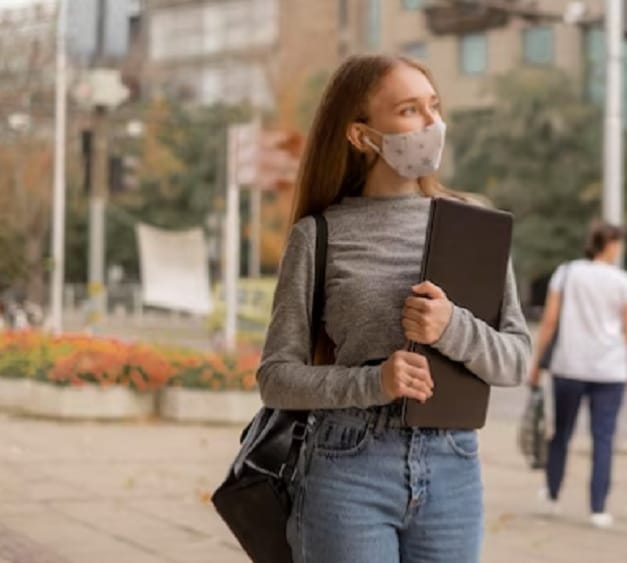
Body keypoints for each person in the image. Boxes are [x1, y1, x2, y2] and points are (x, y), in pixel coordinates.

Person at [256, 54, 531, 563]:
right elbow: (275, 377)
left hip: (454, 468)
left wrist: (453, 328)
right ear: (362, 136)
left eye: (434, 107)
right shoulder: (319, 235)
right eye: (409, 110)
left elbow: (516, 360)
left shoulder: (475, 223)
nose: (433, 124)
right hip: (347, 467)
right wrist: (375, 381)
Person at [527, 222, 627, 529]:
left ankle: (552, 495)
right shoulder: (623, 281)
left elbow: (550, 322)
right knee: (603, 438)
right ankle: (598, 509)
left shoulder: (567, 273)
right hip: (610, 370)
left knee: (561, 433)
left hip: (569, 366)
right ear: (612, 245)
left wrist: (537, 365)